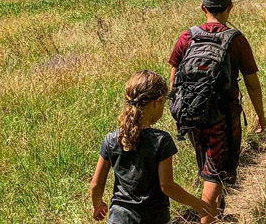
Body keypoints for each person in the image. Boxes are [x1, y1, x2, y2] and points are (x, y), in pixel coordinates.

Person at [169, 0, 266, 223]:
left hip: (192, 115)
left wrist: (179, 114)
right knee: (213, 173)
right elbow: (253, 84)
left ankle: (215, 213)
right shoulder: (236, 40)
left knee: (206, 165)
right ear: (230, 7)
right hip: (223, 118)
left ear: (203, 7)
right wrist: (260, 115)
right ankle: (207, 218)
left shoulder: (186, 37)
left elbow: (174, 81)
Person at [90, 70, 215, 223]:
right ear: (157, 101)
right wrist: (197, 204)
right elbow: (167, 186)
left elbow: (96, 184)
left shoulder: (111, 139)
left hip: (119, 218)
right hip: (153, 218)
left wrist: (97, 204)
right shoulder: (161, 141)